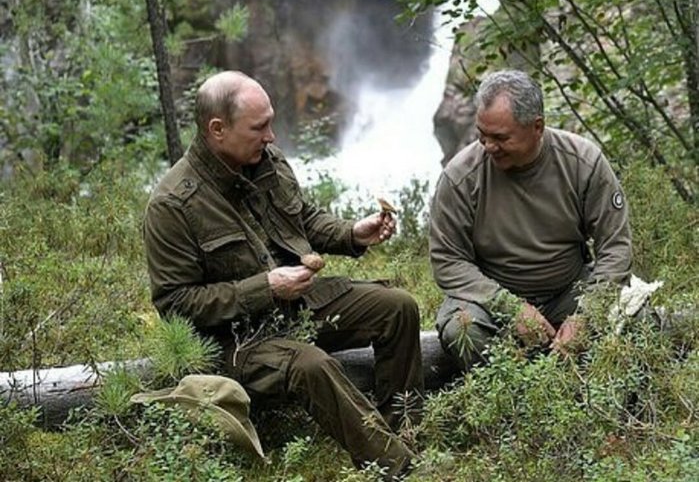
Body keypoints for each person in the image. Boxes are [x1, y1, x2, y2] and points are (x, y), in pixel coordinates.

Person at [143, 70, 423, 478]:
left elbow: (301, 219)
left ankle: (402, 429)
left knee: (397, 307)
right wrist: (267, 288)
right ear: (217, 130)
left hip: (297, 309)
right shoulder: (172, 205)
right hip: (237, 341)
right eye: (260, 127)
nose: (272, 136)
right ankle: (395, 467)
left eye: (270, 122)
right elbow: (176, 304)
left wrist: (351, 234)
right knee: (313, 365)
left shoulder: (264, 159)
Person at [430, 69, 632, 370]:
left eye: (500, 138)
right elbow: (448, 260)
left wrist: (587, 315)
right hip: (492, 300)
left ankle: (589, 397)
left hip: (569, 292)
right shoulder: (460, 177)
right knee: (462, 329)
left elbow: (616, 247)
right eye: (481, 135)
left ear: (537, 126)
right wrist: (511, 308)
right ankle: (511, 401)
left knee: (634, 314)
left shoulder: (583, 162)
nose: (488, 147)